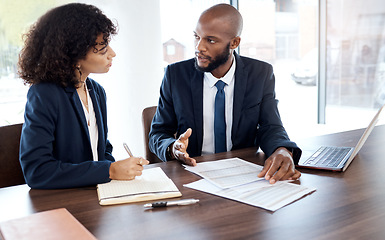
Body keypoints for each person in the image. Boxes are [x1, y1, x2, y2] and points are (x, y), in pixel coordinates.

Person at [149, 3, 301, 184]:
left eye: (210, 40)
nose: (199, 47)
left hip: (244, 174)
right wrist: (173, 148)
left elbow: (271, 126)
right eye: (197, 37)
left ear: (235, 43)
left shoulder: (260, 74)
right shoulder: (175, 75)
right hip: (193, 174)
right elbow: (158, 133)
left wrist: (282, 149)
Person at [18, 3, 149, 189]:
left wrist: (116, 169)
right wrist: (109, 170)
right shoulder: (44, 95)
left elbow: (102, 149)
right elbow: (37, 171)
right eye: (103, 49)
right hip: (62, 205)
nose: (112, 54)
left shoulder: (97, 92)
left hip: (96, 196)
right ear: (75, 54)